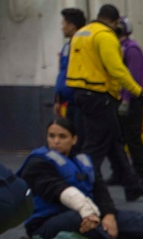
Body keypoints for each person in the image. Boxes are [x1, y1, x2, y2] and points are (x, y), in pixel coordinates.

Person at [19, 117, 143, 239]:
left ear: (74, 139)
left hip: (89, 217)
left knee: (130, 218)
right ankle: (113, 233)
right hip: (47, 224)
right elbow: (60, 191)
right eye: (52, 136)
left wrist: (109, 215)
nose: (55, 141)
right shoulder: (37, 163)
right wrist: (89, 214)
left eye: (62, 136)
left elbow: (100, 191)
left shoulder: (83, 161)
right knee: (76, 219)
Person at [65, 4, 143, 202]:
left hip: (81, 94)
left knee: (114, 142)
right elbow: (117, 70)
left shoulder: (82, 33)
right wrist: (139, 92)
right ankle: (80, 189)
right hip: (98, 96)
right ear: (114, 22)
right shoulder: (105, 35)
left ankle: (132, 186)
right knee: (94, 148)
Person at [110, 16, 143, 189]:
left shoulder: (131, 49)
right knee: (117, 140)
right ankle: (121, 174)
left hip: (131, 102)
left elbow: (134, 78)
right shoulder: (117, 48)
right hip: (117, 100)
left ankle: (142, 176)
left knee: (133, 140)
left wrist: (126, 99)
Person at [54, 7, 86, 153]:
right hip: (70, 104)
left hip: (81, 103)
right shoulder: (67, 47)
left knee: (80, 142)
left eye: (64, 23)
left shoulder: (85, 45)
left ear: (72, 25)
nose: (62, 27)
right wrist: (58, 100)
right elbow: (62, 73)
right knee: (70, 141)